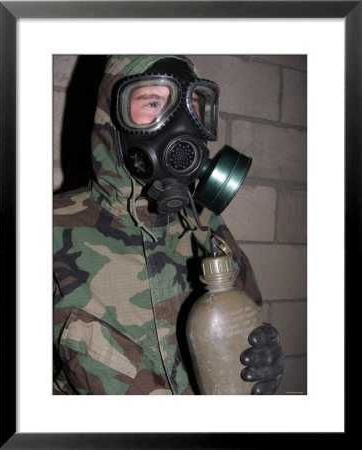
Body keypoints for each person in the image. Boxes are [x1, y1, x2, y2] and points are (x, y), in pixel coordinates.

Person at [53, 55, 283, 395]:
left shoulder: (208, 228)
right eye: (153, 102)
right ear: (110, 117)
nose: (181, 123)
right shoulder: (47, 229)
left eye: (192, 105)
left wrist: (260, 359)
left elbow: (246, 319)